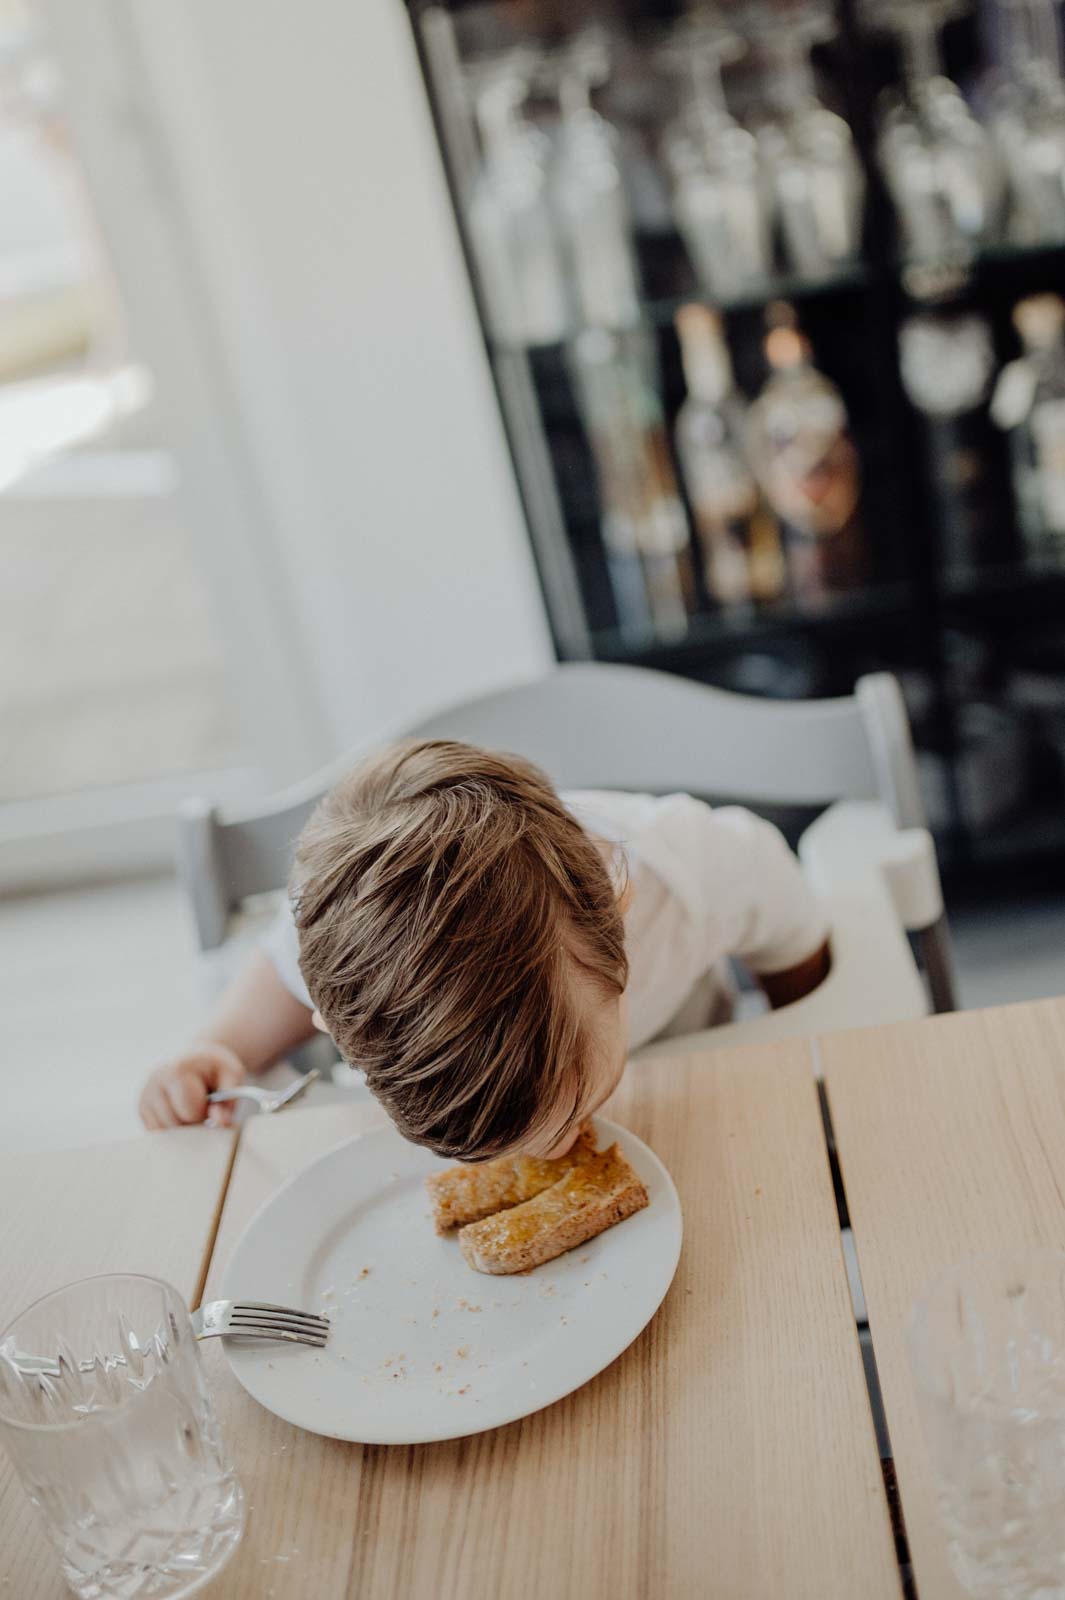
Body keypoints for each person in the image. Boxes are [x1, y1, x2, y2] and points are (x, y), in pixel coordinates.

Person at [139, 741, 830, 1155]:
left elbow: (793, 931)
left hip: (703, 1117)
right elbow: (275, 982)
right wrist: (219, 1050)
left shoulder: (692, 872)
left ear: (616, 917)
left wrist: (803, 1057)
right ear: (331, 1018)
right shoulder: (340, 930)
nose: (555, 1151)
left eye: (580, 1102)